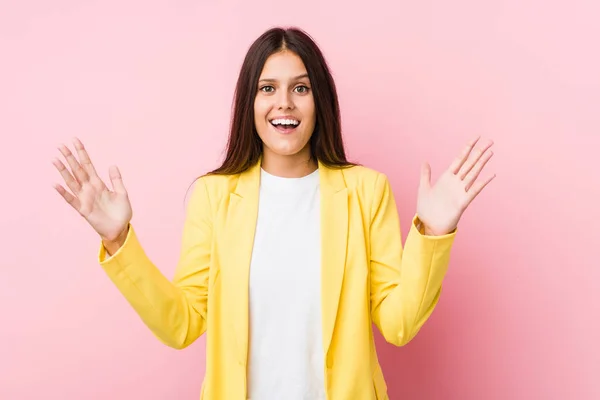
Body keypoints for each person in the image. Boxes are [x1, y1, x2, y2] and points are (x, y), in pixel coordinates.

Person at [52, 27, 495, 400]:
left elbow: (398, 324)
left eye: (300, 88)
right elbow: (181, 324)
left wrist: (434, 232)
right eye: (268, 88)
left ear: (319, 101)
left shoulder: (365, 191)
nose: (284, 103)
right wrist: (118, 240)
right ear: (251, 102)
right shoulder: (214, 197)